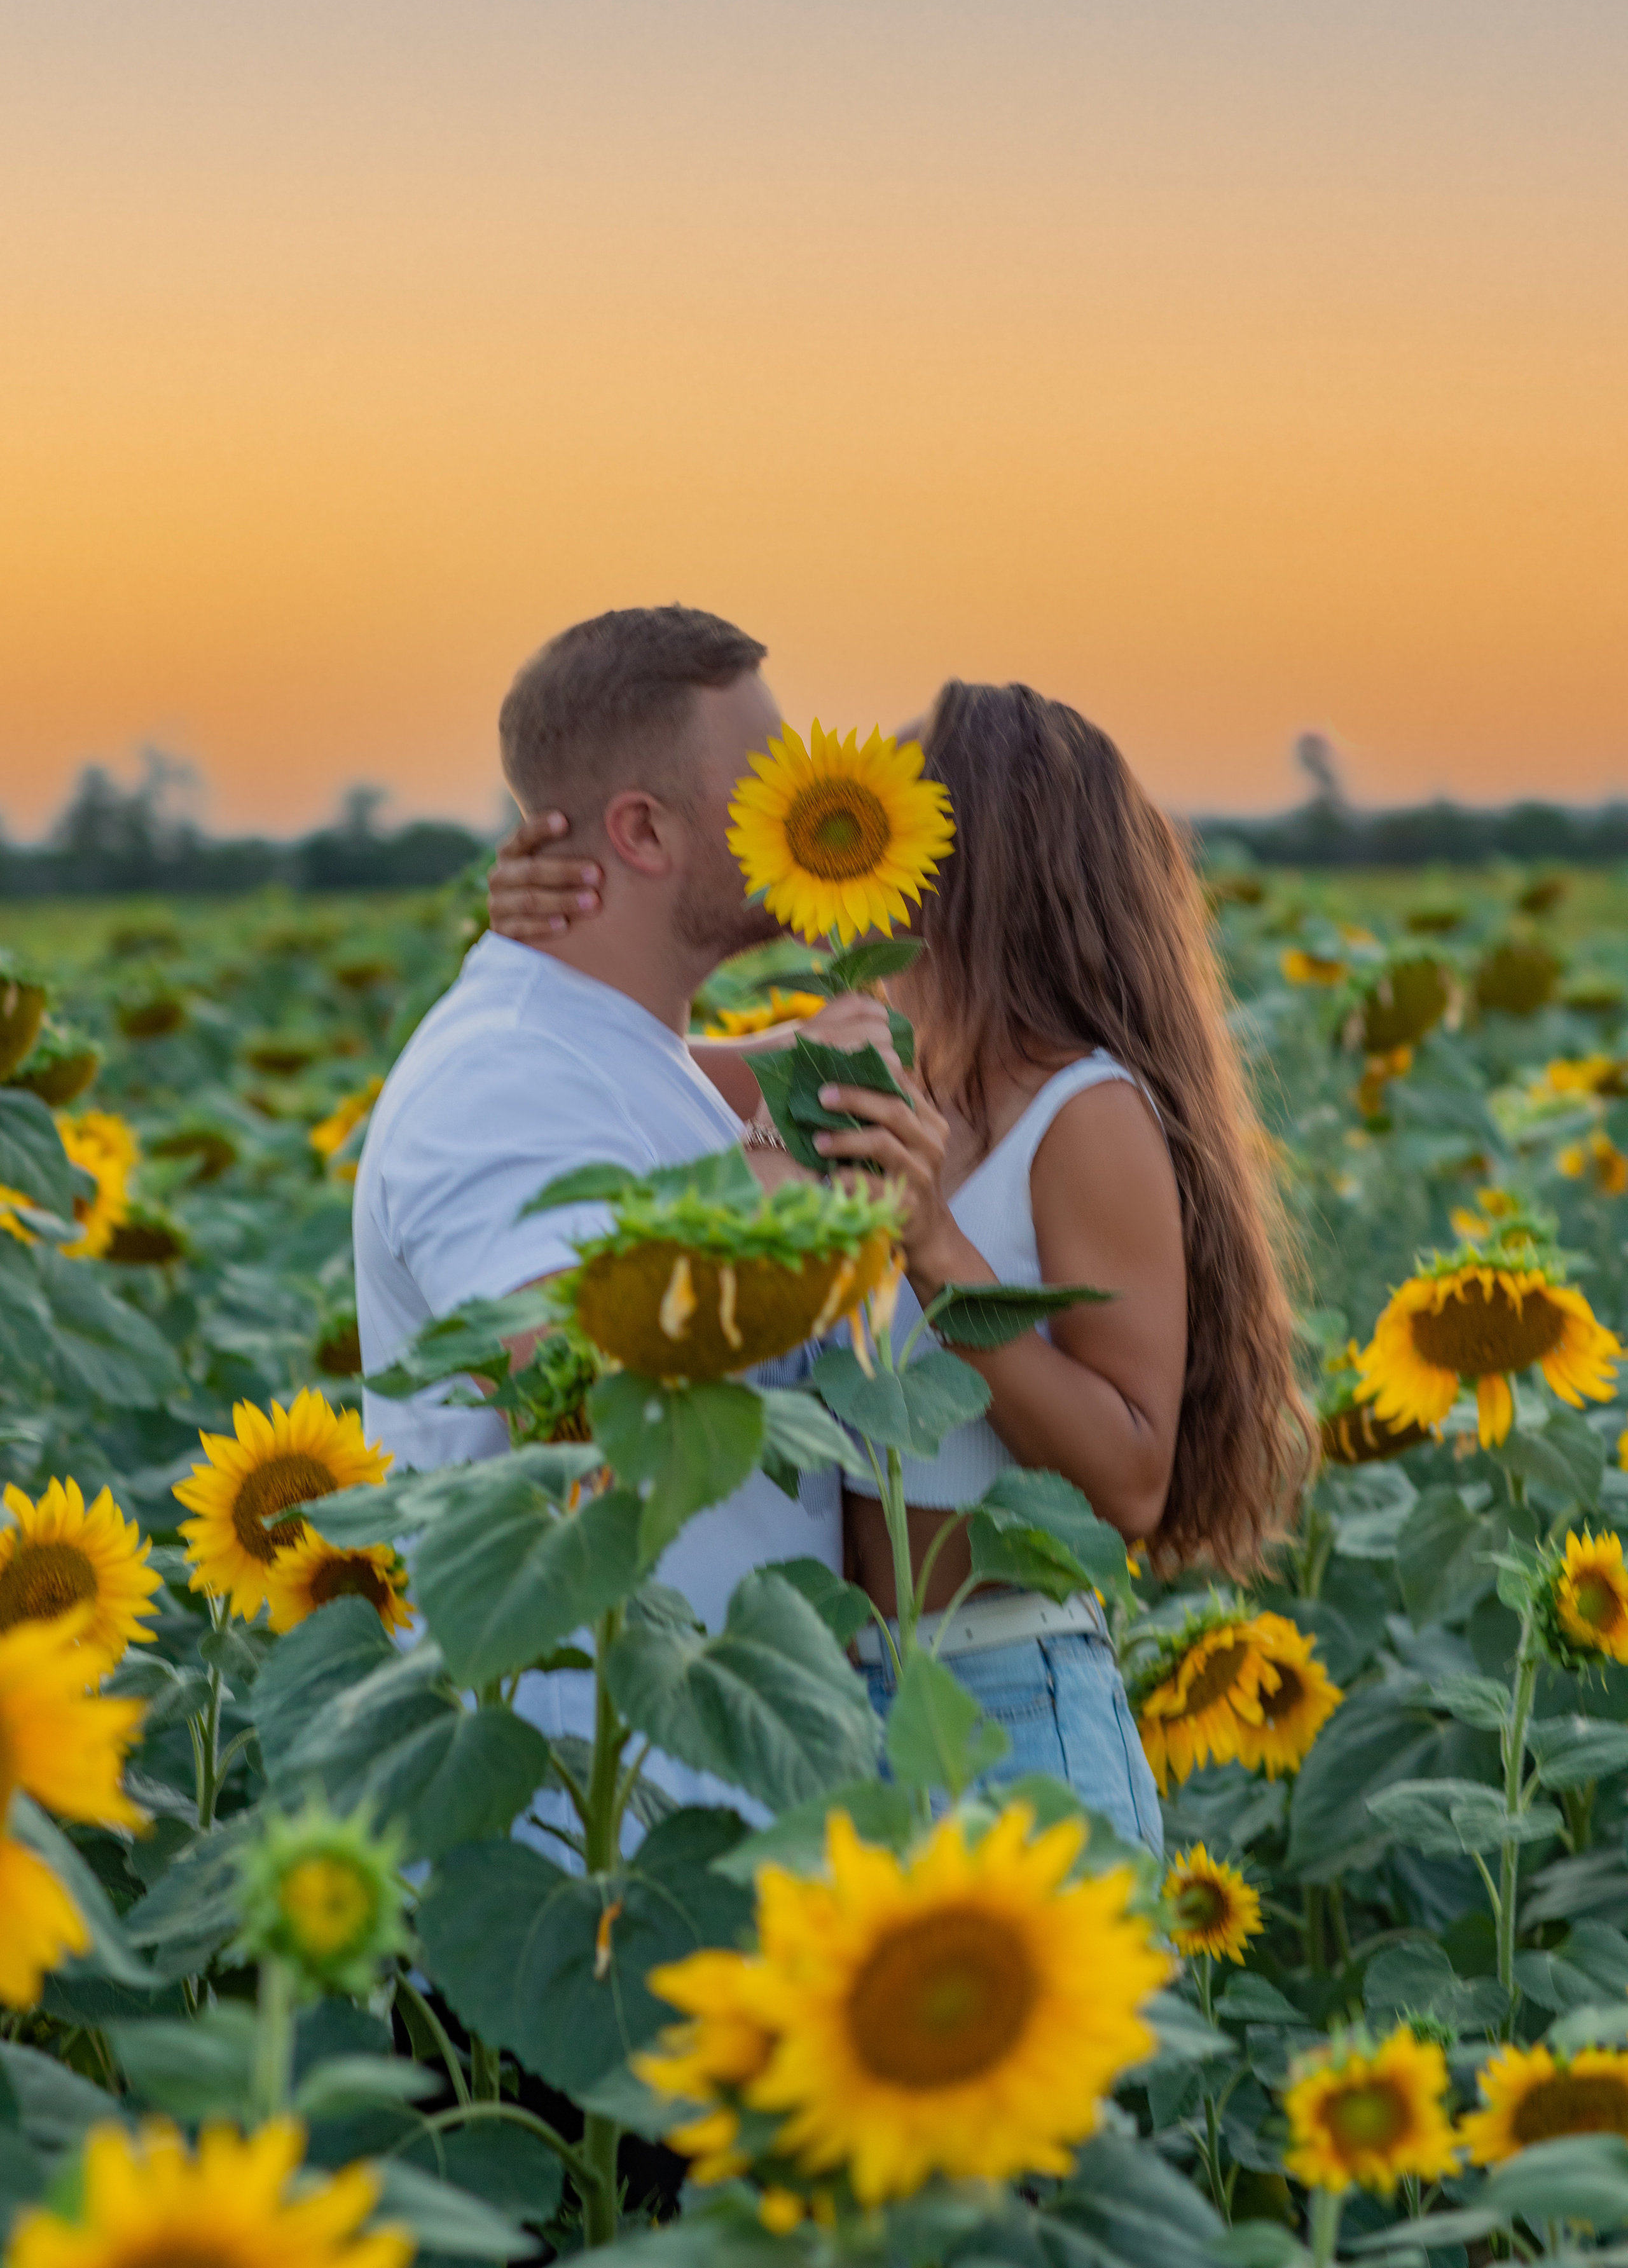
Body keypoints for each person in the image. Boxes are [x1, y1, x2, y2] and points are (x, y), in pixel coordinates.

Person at [486, 680, 1312, 1848]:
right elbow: (621, 1057)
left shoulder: (1085, 1114)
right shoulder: (878, 1072)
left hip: (1010, 1699)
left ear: (967, 864)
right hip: (846, 1706)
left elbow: (1130, 1478)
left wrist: (935, 1248)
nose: (845, 849)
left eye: (883, 825)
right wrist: (545, 919)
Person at [354, 602, 885, 1829]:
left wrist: (852, 921)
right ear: (643, 828)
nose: (802, 811)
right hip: (586, 1839)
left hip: (695, 1810)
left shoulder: (622, 1049)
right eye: (766, 789)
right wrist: (818, 1189)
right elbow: (577, 1366)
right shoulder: (504, 1074)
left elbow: (681, 1108)